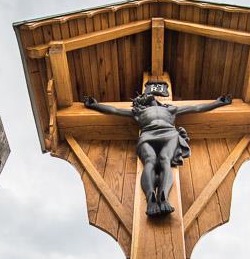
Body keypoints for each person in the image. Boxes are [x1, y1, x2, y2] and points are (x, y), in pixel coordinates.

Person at [84, 91, 232, 216]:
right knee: (151, 160)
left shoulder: (171, 109)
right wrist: (95, 105)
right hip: (148, 135)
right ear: (140, 101)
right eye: (143, 96)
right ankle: (150, 199)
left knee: (164, 159)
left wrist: (218, 103)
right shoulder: (138, 111)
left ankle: (164, 197)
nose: (147, 95)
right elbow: (114, 110)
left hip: (169, 134)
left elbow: (196, 108)